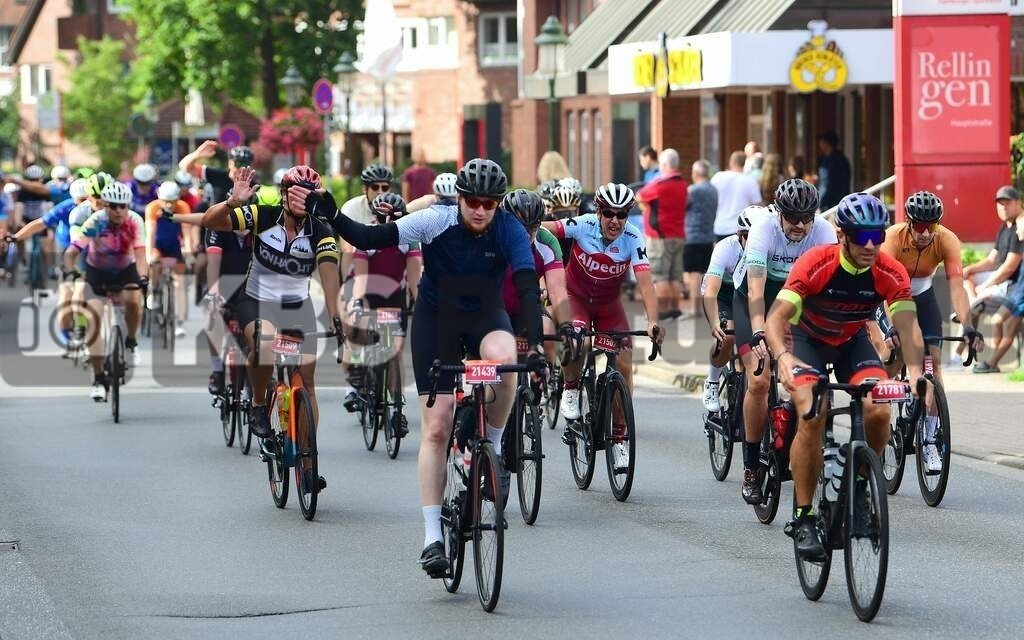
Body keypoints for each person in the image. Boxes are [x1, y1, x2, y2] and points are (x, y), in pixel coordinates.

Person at [300, 158, 545, 577]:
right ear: (460, 199)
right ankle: (433, 535)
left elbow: (525, 287)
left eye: (490, 202)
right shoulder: (434, 220)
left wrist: (536, 347)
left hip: (486, 315)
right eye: (473, 201)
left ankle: (497, 448)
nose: (481, 209)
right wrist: (329, 207)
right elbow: (369, 235)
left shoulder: (508, 229)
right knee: (436, 427)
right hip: (439, 321)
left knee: (507, 361)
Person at [765, 193, 925, 560]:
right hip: (805, 341)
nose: (871, 245)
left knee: (879, 410)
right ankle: (804, 515)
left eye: (878, 236)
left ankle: (859, 485)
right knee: (812, 412)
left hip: (852, 342)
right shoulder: (816, 263)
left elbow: (907, 326)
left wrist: (916, 373)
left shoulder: (889, 271)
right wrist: (784, 357)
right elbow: (775, 318)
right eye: (861, 236)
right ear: (843, 235)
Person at [200, 165, 342, 496]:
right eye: (296, 192)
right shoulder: (262, 216)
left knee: (306, 382)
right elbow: (210, 221)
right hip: (256, 301)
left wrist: (336, 315)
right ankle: (258, 405)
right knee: (264, 344)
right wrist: (232, 203)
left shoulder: (321, 231)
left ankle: (308, 464)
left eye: (309, 194)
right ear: (283, 193)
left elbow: (330, 275)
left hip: (297, 306)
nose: (302, 200)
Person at [733, 178, 836, 505]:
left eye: (807, 217)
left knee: (807, 373)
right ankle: (750, 465)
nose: (801, 225)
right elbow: (755, 291)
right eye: (793, 218)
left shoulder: (822, 231)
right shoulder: (763, 230)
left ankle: (802, 431)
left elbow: (831, 286)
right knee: (760, 380)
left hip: (796, 299)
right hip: (753, 300)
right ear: (779, 214)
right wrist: (760, 331)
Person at [542, 183, 664, 458]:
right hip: (576, 299)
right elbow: (544, 229)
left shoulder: (633, 237)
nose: (615, 221)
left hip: (609, 306)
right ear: (598, 212)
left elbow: (646, 285)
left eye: (622, 215)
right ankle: (570, 387)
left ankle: (620, 437)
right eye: (609, 213)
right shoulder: (583, 225)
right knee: (579, 344)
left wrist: (652, 321)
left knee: (624, 362)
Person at [877, 190, 984, 470]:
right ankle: (879, 420)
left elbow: (957, 288)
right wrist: (891, 328)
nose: (925, 233)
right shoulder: (892, 238)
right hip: (892, 296)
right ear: (909, 222)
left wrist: (969, 325)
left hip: (923, 298)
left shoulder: (946, 239)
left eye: (931, 226)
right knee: (894, 360)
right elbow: (887, 288)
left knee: (934, 365)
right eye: (920, 226)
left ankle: (930, 439)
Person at [65, 181, 147, 399]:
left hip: (125, 268)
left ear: (128, 206)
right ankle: (98, 377)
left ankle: (131, 341)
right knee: (94, 318)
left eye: (123, 206)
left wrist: (144, 277)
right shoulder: (96, 221)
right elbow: (72, 251)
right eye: (113, 206)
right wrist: (69, 271)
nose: (118, 210)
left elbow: (140, 255)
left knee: (133, 301)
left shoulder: (135, 221)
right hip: (97, 271)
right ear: (106, 206)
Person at [343, 192, 422, 417]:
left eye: (393, 221)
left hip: (393, 296)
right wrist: (357, 305)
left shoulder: (409, 239)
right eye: (381, 219)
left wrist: (422, 304)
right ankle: (357, 365)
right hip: (366, 290)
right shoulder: (366, 237)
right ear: (375, 218)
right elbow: (361, 280)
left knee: (395, 351)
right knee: (354, 321)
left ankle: (398, 408)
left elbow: (415, 282)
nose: (387, 225)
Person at [701, 206, 761, 411]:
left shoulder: (768, 249)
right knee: (727, 336)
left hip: (750, 293)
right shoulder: (725, 248)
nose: (754, 244)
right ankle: (712, 381)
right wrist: (716, 322)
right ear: (739, 235)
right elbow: (711, 290)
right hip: (722, 294)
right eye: (749, 238)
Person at [960, 186, 1023, 372]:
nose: (1003, 207)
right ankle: (988, 362)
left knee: (1003, 322)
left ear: (1018, 203)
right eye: (1000, 204)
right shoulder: (1005, 227)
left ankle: (991, 363)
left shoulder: (1021, 224)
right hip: (1018, 288)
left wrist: (985, 286)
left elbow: (1009, 267)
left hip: (1013, 286)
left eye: (1008, 203)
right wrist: (968, 269)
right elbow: (992, 260)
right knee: (996, 320)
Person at [637, 149, 687, 320]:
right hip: (678, 234)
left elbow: (640, 195)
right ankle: (675, 309)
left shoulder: (659, 185)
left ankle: (663, 311)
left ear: (664, 165)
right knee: (675, 275)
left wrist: (645, 208)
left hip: (659, 237)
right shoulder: (682, 184)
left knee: (660, 276)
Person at [144, 181, 193, 339]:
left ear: (177, 199)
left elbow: (187, 233)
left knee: (180, 283)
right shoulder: (152, 207)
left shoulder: (183, 207)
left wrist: (189, 253)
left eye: (172, 201)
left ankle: (179, 322)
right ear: (160, 198)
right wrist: (148, 254)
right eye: (166, 201)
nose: (169, 205)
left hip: (174, 246)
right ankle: (153, 288)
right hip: (157, 245)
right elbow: (150, 234)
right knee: (155, 261)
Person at [684, 159, 718, 319]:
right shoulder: (713, 190)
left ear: (696, 173)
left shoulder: (693, 190)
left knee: (694, 273)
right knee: (704, 272)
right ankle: (706, 308)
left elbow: (683, 206)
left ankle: (694, 308)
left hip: (692, 235)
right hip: (708, 234)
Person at [711, 151, 762, 240]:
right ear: (744, 163)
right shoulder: (750, 181)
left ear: (732, 162)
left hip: (720, 227)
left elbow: (710, 197)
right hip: (741, 228)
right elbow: (758, 206)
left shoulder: (718, 177)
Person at [816, 131, 851, 210]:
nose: (820, 144)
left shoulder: (829, 162)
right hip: (842, 203)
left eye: (821, 142)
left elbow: (825, 184)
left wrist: (819, 204)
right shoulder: (843, 159)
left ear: (826, 143)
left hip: (829, 205)